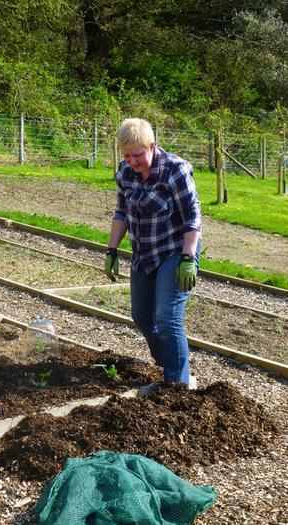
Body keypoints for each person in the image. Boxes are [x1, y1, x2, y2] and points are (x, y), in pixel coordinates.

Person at [104, 117, 201, 393]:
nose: (132, 161)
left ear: (152, 147)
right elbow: (121, 212)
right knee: (142, 314)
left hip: (175, 250)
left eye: (137, 155)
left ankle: (178, 385)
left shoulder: (175, 170)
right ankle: (169, 358)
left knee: (168, 316)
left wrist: (187, 258)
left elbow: (193, 216)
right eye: (126, 155)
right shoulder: (125, 173)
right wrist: (111, 249)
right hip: (144, 250)